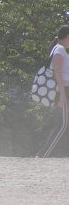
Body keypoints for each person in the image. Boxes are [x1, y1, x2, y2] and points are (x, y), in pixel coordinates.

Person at [36, 25, 69, 158]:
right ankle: (43, 155)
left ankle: (46, 154)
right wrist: (62, 95)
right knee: (62, 124)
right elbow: (57, 72)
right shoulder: (60, 49)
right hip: (63, 90)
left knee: (63, 124)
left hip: (64, 90)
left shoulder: (61, 49)